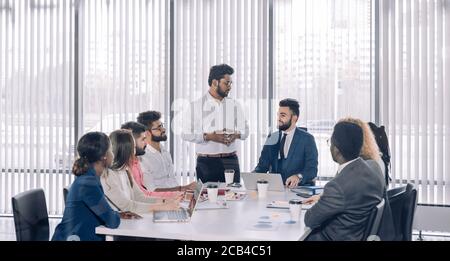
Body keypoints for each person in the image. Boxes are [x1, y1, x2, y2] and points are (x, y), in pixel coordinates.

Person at [303, 121, 385, 241]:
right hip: (355, 234)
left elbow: (310, 219)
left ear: (336, 149)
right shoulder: (371, 170)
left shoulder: (337, 186)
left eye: (330, 143)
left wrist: (324, 199)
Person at [52, 132, 139, 241]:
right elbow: (112, 222)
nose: (113, 154)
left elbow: (102, 212)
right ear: (104, 156)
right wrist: (115, 215)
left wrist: (118, 214)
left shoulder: (90, 178)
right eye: (111, 150)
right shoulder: (88, 184)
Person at [181, 64, 249, 183]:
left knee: (233, 197)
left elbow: (246, 131)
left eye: (231, 83)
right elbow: (185, 134)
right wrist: (209, 136)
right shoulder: (196, 106)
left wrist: (236, 135)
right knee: (206, 198)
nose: (230, 87)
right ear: (215, 82)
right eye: (226, 83)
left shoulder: (234, 105)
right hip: (206, 162)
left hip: (231, 160)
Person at [101, 130, 180, 214]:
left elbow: (139, 197)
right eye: (134, 148)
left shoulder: (125, 171)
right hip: (117, 224)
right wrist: (162, 207)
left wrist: (166, 201)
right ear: (126, 151)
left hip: (128, 221)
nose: (135, 152)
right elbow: (127, 206)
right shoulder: (107, 176)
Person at [254, 98, 318, 187]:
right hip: (275, 190)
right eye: (278, 115)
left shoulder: (307, 139)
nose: (278, 119)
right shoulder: (272, 137)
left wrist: (298, 176)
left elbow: (312, 170)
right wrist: (251, 177)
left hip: (298, 190)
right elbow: (262, 166)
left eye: (283, 115)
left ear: (294, 118)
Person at [121, 121, 185, 198]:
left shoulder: (136, 163)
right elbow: (142, 196)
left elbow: (143, 194)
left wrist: (178, 194)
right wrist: (176, 194)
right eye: (143, 139)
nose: (146, 143)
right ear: (132, 142)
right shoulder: (126, 167)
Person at [136, 111, 196, 191]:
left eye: (162, 126)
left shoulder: (164, 151)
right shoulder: (143, 157)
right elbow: (152, 191)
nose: (163, 129)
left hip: (178, 196)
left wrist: (186, 191)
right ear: (147, 133)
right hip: (163, 200)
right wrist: (183, 188)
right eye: (159, 128)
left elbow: (172, 180)